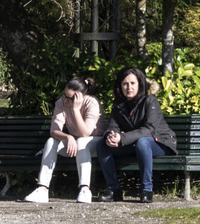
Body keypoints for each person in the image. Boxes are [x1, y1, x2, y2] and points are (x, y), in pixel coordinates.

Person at [94, 67, 177, 203]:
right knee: (102, 144)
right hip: (134, 143)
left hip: (159, 142)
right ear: (120, 86)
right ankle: (114, 190)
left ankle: (146, 190)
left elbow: (150, 129)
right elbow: (113, 126)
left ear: (140, 84)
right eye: (125, 84)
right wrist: (111, 136)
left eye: (133, 83)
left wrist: (123, 138)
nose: (129, 87)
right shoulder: (118, 103)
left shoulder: (150, 100)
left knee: (143, 142)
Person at [23, 77, 101, 203]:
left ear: (80, 97)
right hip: (75, 143)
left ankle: (85, 189)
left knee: (81, 141)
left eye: (70, 98)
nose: (65, 100)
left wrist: (75, 109)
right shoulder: (61, 103)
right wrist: (67, 136)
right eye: (64, 95)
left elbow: (85, 133)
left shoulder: (92, 103)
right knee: (51, 141)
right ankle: (42, 189)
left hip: (96, 143)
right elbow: (54, 131)